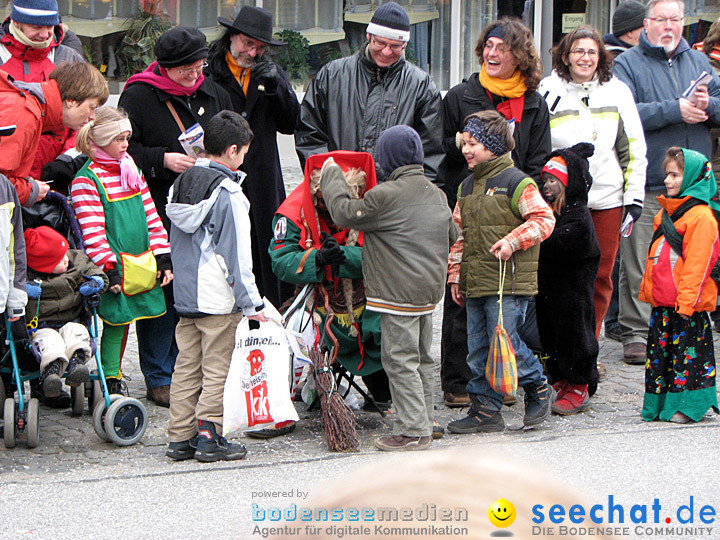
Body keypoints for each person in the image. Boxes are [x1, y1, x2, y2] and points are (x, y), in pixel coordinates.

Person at [320, 126, 458, 452]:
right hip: (428, 294)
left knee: (399, 361)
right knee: (422, 360)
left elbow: (343, 213)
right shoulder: (436, 193)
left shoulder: (385, 196)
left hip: (398, 294)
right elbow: (451, 235)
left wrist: (331, 174)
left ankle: (411, 432)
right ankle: (425, 424)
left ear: (387, 158)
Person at [439, 17, 551, 409]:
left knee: (502, 327)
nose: (491, 53)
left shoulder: (534, 102)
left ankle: (527, 383)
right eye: (487, 45)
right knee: (467, 323)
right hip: (470, 203)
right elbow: (444, 154)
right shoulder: (460, 95)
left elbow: (538, 164)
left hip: (511, 217)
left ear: (519, 55)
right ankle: (468, 392)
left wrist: (517, 207)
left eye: (501, 48)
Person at [118, 26, 233, 406]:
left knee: (195, 284)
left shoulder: (208, 89)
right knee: (161, 286)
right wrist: (161, 159)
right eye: (185, 69)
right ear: (165, 67)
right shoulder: (137, 94)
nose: (193, 75)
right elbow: (121, 148)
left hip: (200, 202)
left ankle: (189, 369)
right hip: (155, 204)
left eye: (198, 66)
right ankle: (158, 374)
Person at [613, 0, 720, 364]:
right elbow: (624, 113)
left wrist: (708, 106)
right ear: (647, 24)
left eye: (676, 19)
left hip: (694, 186)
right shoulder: (627, 63)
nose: (669, 26)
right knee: (642, 258)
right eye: (661, 19)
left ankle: (685, 321)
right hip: (651, 179)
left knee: (693, 258)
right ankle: (637, 333)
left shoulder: (698, 60)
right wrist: (675, 109)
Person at [165, 110, 267, 463]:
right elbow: (237, 256)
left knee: (186, 367)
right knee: (217, 369)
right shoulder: (229, 194)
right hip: (218, 298)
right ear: (233, 150)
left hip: (186, 294)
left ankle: (179, 437)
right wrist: (253, 304)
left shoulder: (180, 184)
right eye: (244, 153)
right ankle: (210, 435)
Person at [538, 26, 647, 355]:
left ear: (601, 57)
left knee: (600, 277)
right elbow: (537, 143)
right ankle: (554, 347)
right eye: (578, 51)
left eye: (591, 52)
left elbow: (633, 148)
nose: (584, 58)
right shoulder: (548, 90)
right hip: (559, 201)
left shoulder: (617, 92)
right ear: (565, 56)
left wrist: (634, 197)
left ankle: (589, 347)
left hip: (606, 199)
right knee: (557, 277)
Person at [446, 110, 556, 434]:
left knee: (503, 344)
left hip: (508, 283)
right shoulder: (466, 187)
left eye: (474, 143)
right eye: (464, 143)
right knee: (478, 347)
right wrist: (456, 275)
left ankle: (537, 385)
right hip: (477, 281)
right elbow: (460, 235)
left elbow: (543, 220)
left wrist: (512, 241)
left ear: (493, 146)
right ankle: (485, 410)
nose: (466, 150)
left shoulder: (516, 183)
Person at [269, 150, 392, 431]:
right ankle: (288, 401)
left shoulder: (374, 202)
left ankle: (384, 389)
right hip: (319, 301)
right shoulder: (292, 211)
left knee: (390, 327)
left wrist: (347, 258)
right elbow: (280, 260)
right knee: (291, 332)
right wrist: (318, 259)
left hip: (369, 298)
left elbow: (389, 255)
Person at [70, 107, 172, 397]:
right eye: (119, 138)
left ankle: (151, 374)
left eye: (127, 137)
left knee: (145, 317)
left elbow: (151, 214)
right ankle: (109, 377)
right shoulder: (86, 180)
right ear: (100, 140)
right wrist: (108, 268)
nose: (125, 144)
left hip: (141, 261)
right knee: (117, 323)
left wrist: (162, 254)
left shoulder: (131, 168)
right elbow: (92, 231)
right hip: (115, 265)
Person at [206, 6, 300, 308]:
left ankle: (271, 311)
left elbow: (290, 123)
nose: (254, 52)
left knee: (265, 245)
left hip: (262, 176)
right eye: (248, 44)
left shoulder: (269, 73)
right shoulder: (210, 71)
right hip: (221, 173)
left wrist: (277, 89)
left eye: (260, 47)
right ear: (232, 37)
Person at [295, 1, 443, 182]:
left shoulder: (422, 86)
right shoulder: (332, 75)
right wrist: (329, 179)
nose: (386, 52)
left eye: (395, 46)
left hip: (394, 200)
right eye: (380, 43)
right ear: (369, 35)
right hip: (338, 194)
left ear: (405, 45)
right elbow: (309, 135)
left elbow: (430, 154)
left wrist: (411, 196)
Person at [640, 147, 720, 423]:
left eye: (675, 175)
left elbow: (699, 265)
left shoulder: (702, 218)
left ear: (692, 179)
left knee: (688, 360)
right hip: (664, 303)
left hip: (687, 306)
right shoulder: (665, 215)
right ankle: (662, 404)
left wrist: (686, 302)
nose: (668, 180)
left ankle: (689, 406)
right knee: (663, 358)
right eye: (667, 175)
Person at [535, 144, 601, 415]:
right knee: (552, 335)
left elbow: (565, 243)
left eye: (553, 181)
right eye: (545, 180)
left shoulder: (578, 215)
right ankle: (561, 379)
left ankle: (579, 384)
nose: (547, 186)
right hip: (550, 288)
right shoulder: (550, 210)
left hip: (573, 290)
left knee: (575, 335)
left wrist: (539, 239)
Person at [0, 0, 85, 183]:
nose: (45, 34)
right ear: (17, 22)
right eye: (36, 27)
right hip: (7, 180)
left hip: (58, 177)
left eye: (50, 26)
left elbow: (88, 117)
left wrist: (68, 160)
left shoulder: (68, 58)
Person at [0, 61, 107, 206]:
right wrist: (31, 190)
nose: (93, 116)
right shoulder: (25, 114)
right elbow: (2, 183)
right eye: (92, 107)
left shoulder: (29, 109)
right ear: (71, 100)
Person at [23, 226, 107, 400]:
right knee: (49, 342)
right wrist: (23, 291)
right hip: (43, 324)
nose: (66, 259)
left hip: (73, 318)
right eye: (59, 260)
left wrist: (97, 281)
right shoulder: (31, 281)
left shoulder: (76, 260)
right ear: (45, 267)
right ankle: (51, 374)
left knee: (78, 333)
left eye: (65, 254)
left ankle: (77, 364)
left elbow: (93, 269)